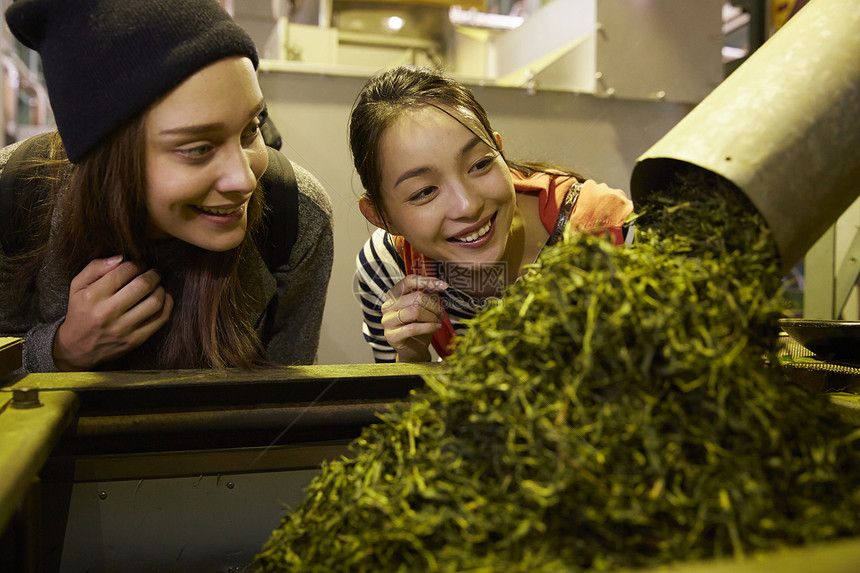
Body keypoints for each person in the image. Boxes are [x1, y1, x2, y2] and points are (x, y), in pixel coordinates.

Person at [0, 0, 333, 372]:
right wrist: (61, 350)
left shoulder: (296, 214)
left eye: (251, 129)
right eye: (198, 149)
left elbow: (287, 406)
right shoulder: (14, 193)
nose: (244, 179)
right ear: (108, 159)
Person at [352, 66, 633, 363]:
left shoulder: (610, 232)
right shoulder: (388, 266)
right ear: (381, 217)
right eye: (425, 192)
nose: (467, 205)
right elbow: (396, 406)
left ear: (499, 151)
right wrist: (410, 356)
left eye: (479, 165)